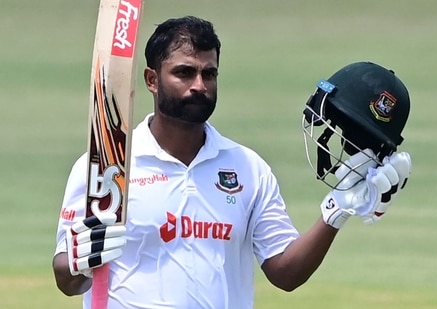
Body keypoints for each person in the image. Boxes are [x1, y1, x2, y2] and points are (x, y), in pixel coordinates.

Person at [53, 15, 412, 309]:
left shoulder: (247, 168)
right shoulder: (108, 165)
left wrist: (336, 212)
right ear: (151, 79)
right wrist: (76, 260)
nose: (199, 85)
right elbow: (67, 281)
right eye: (184, 72)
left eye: (209, 74)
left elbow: (285, 273)